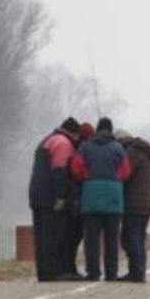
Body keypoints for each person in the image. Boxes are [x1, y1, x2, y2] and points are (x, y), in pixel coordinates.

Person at [70, 117, 132, 281]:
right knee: (112, 238)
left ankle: (93, 272)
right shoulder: (118, 148)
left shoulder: (85, 147)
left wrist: (89, 177)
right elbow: (126, 171)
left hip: (91, 195)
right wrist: (114, 178)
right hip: (114, 197)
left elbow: (76, 169)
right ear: (111, 131)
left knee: (91, 238)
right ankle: (111, 273)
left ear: (97, 129)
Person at [28, 117, 81, 281]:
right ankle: (54, 272)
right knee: (53, 236)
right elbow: (59, 171)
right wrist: (60, 196)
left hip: (36, 194)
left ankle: (43, 272)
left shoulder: (47, 140)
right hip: (50, 197)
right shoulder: (64, 144)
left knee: (41, 236)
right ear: (74, 133)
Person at [116, 129, 150, 282]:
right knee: (139, 238)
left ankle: (136, 272)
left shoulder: (132, 153)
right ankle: (138, 272)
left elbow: (124, 175)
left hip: (133, 204)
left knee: (130, 238)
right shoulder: (145, 153)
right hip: (146, 204)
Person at [61, 121, 97, 276]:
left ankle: (68, 267)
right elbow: (78, 173)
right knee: (74, 236)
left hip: (73, 196)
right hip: (78, 197)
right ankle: (69, 268)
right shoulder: (83, 149)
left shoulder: (75, 147)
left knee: (71, 235)